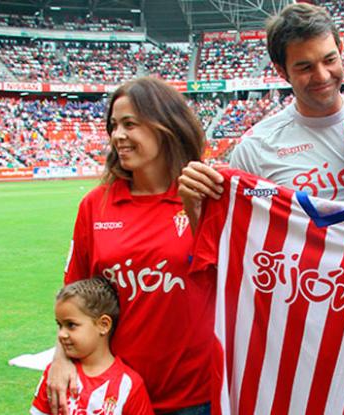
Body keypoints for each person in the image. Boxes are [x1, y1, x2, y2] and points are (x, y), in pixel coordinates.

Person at [48, 77, 213, 415]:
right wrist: (60, 358)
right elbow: (72, 298)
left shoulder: (207, 197)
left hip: (198, 396)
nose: (117, 136)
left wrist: (197, 212)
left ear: (166, 126)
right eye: (113, 125)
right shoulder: (96, 205)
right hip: (116, 394)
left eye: (130, 124)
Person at [179, 3, 344, 227]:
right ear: (281, 71)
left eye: (329, 60)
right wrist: (195, 209)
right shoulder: (255, 149)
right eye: (305, 68)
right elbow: (237, 235)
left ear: (341, 50)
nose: (322, 75)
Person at [31, 277, 154, 415]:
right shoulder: (57, 375)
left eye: (71, 325)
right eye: (59, 325)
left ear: (103, 325)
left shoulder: (129, 386)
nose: (61, 334)